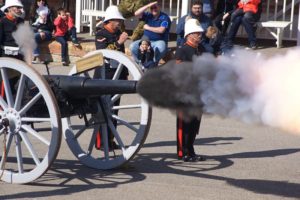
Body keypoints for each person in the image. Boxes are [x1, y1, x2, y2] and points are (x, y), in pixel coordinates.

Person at [94, 5, 128, 150]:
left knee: (114, 111)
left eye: (119, 21)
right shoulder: (101, 33)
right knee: (104, 109)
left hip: (116, 75)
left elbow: (121, 56)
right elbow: (103, 51)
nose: (119, 23)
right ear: (109, 21)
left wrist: (125, 73)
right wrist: (119, 42)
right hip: (105, 74)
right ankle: (101, 142)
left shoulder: (117, 33)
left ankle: (110, 139)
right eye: (116, 20)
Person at [175, 18, 205, 162]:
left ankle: (191, 150)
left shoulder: (201, 50)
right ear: (189, 35)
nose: (200, 36)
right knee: (184, 124)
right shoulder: (182, 50)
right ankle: (183, 151)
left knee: (194, 124)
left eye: (200, 34)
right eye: (197, 33)